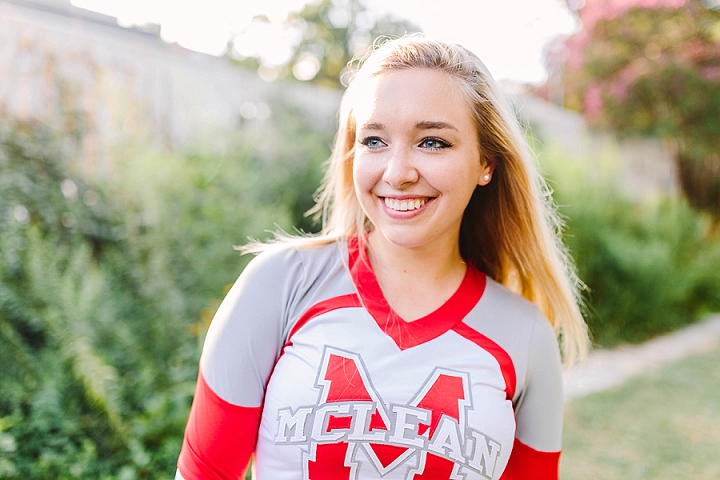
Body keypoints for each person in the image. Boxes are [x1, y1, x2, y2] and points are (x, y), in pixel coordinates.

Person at [175, 35, 589, 480]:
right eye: (374, 141)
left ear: (486, 161)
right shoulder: (280, 283)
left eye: (432, 142)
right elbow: (205, 473)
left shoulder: (526, 336)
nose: (397, 173)